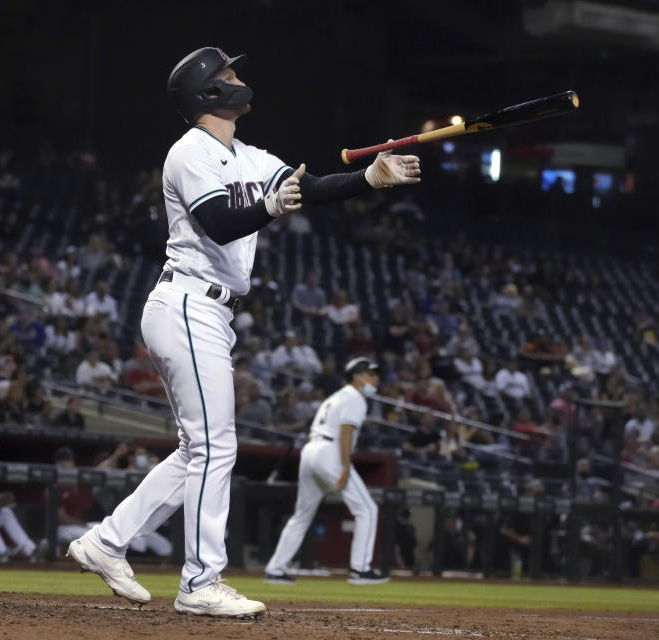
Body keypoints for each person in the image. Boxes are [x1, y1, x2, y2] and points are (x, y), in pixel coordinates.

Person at [65, 46, 419, 618]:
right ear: (208, 94)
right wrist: (270, 210)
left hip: (210, 310)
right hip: (186, 300)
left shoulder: (250, 154)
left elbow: (312, 186)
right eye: (228, 75)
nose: (240, 80)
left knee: (196, 450)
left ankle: (104, 542)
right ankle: (200, 581)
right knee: (215, 447)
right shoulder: (189, 153)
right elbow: (220, 222)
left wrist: (369, 179)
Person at [264, 358, 389, 586]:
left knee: (301, 515)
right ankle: (359, 569)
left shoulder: (335, 396)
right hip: (330, 452)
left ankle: (275, 569)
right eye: (371, 374)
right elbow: (346, 432)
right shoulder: (355, 397)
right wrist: (345, 467)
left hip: (311, 450)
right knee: (367, 509)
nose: (375, 379)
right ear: (357, 377)